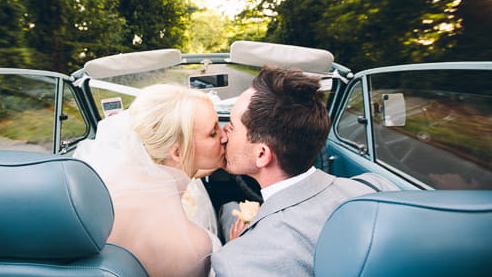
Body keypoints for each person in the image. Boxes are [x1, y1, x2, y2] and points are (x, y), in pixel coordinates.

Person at [212, 67, 398, 277]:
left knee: (227, 208)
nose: (223, 135)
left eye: (232, 127)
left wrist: (240, 244)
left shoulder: (240, 261)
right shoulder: (376, 186)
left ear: (262, 154)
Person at [74, 84, 226, 277]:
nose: (224, 135)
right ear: (178, 153)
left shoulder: (105, 190)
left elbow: (186, 171)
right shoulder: (194, 245)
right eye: (213, 133)